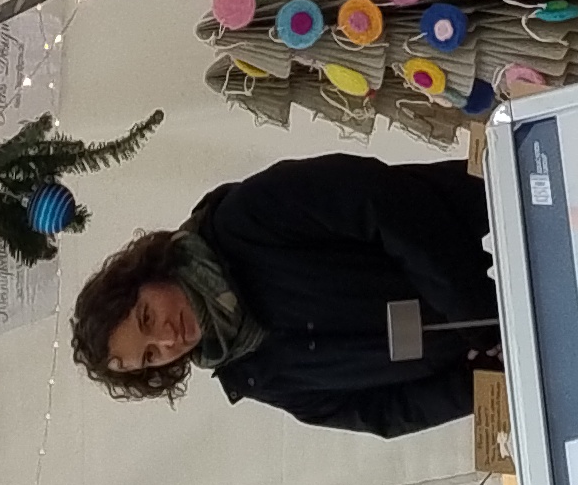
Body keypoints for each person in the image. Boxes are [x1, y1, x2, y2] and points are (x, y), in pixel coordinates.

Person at [71, 153, 494, 436]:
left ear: (148, 276)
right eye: (150, 357)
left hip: (504, 223)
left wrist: (478, 318)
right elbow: (387, 411)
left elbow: (385, 202)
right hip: (512, 347)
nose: (166, 340)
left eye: (146, 317)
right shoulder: (259, 377)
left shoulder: (246, 220)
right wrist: (495, 381)